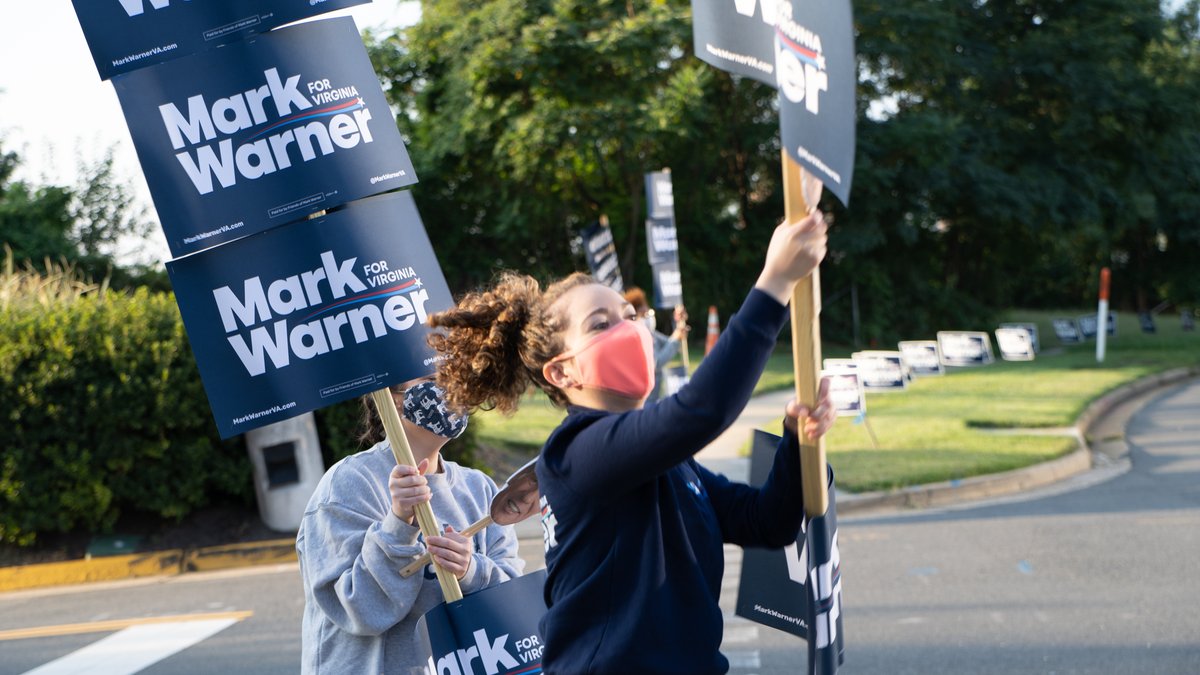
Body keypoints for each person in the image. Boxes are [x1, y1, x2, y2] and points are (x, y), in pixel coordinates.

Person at [427, 211, 835, 674]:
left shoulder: (668, 462)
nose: (629, 330)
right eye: (601, 325)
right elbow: (703, 410)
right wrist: (775, 283)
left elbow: (765, 522)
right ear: (562, 372)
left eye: (629, 316)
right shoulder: (575, 454)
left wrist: (796, 439)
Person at [297, 378, 524, 674]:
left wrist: (470, 570)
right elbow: (360, 611)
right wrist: (398, 525)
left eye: (451, 372)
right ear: (392, 398)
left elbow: (513, 601)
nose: (449, 384)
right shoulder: (348, 485)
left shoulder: (480, 489)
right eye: (430, 379)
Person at [622, 287, 688, 402]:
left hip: (654, 396)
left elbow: (672, 344)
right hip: (644, 401)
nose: (647, 311)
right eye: (644, 311)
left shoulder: (650, 332)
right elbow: (655, 364)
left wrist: (678, 322)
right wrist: (676, 337)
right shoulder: (635, 337)